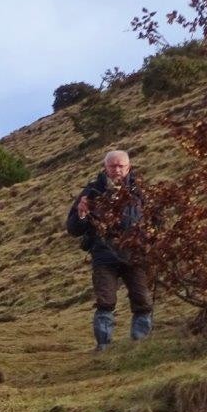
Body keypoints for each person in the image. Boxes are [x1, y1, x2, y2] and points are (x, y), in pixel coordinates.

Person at [66, 150, 152, 351]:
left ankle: (140, 347)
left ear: (129, 167)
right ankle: (103, 348)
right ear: (105, 167)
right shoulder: (92, 192)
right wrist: (81, 215)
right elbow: (73, 229)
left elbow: (157, 219)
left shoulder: (141, 191)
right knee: (105, 303)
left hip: (136, 254)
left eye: (121, 165)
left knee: (143, 301)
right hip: (104, 256)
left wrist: (149, 239)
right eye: (113, 166)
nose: (117, 170)